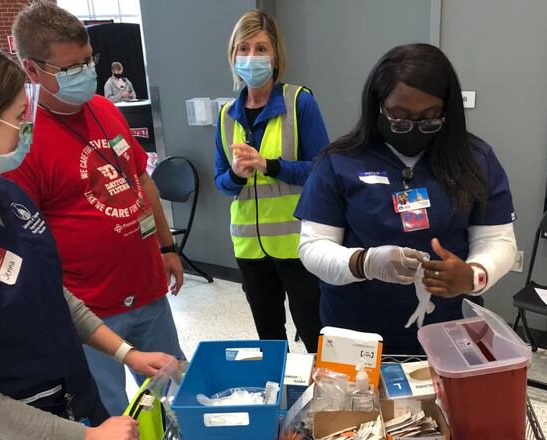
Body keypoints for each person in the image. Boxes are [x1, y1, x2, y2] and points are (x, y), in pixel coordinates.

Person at [0, 34, 177, 440]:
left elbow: (52, 293)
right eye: (19, 115)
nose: (28, 126)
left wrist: (127, 352)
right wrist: (88, 437)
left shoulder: (5, 195)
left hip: (72, 404)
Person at [7, 2, 185, 416]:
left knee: (173, 399)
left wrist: (166, 247)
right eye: (70, 69)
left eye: (89, 61)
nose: (86, 73)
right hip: (90, 313)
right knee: (112, 416)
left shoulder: (104, 109)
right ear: (32, 70)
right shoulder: (21, 141)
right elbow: (26, 241)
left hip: (148, 290)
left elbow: (142, 181)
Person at [295, 43, 518, 354]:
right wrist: (364, 262)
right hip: (356, 331)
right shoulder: (339, 161)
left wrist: (474, 274)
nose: (414, 128)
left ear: (447, 110)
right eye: (399, 117)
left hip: (448, 329)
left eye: (429, 118)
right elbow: (312, 247)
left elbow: (499, 241)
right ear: (378, 106)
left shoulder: (475, 160)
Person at [214, 10, 329, 353]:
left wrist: (270, 165)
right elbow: (221, 182)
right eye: (244, 48)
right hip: (249, 247)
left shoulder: (299, 102)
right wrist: (236, 175)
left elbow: (322, 172)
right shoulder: (226, 115)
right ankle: (278, 400)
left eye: (261, 48)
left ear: (276, 55)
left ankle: (323, 400)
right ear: (233, 56)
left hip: (297, 244)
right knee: (269, 336)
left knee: (314, 332)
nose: (252, 57)